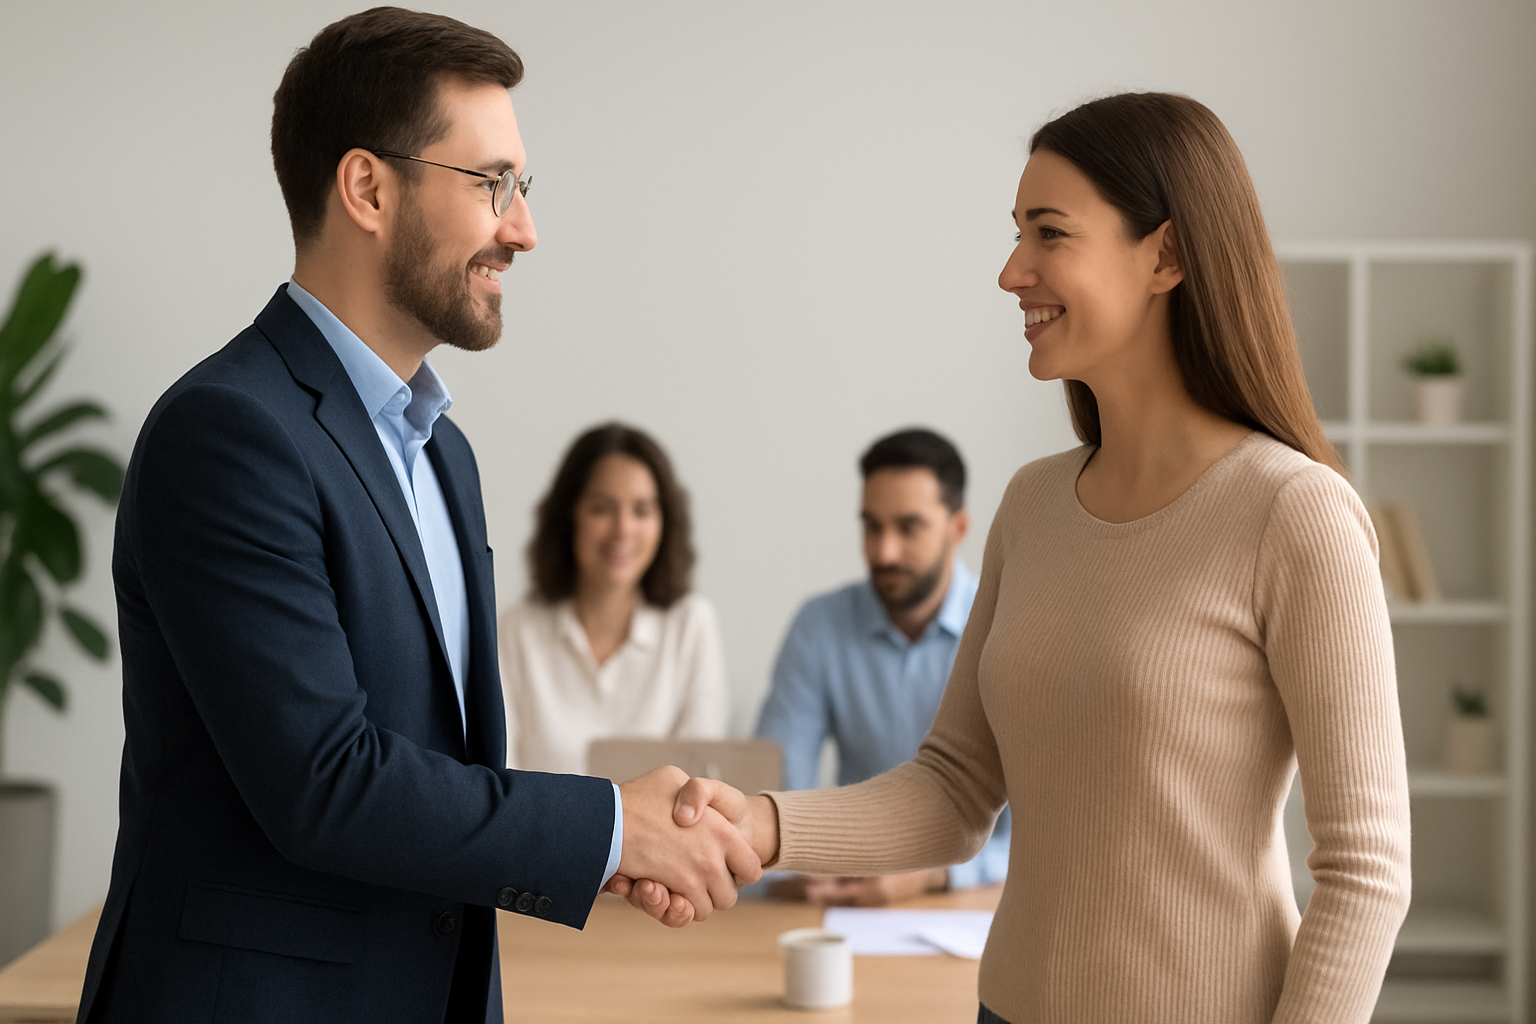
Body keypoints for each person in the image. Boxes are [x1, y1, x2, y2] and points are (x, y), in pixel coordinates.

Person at [646, 92, 1413, 1024]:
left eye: (1050, 233)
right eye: (1017, 234)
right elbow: (955, 788)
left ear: (1166, 256)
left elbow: (1366, 870)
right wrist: (761, 823)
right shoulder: (1033, 503)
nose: (1013, 271)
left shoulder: (1294, 513)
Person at [80, 10, 754, 1023]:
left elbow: (438, 774)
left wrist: (609, 851)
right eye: (492, 184)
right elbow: (326, 782)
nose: (523, 229)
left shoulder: (444, 452)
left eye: (523, 187)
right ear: (367, 188)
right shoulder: (227, 433)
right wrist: (615, 828)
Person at [754, 428, 1008, 904]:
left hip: (970, 906)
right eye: (872, 527)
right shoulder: (820, 626)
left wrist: (934, 875)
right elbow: (774, 790)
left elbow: (1039, 836)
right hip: (846, 899)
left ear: (957, 529)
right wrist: (792, 866)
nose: (884, 551)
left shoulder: (1005, 624)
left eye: (909, 528)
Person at [500, 423, 729, 773]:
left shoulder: (692, 624)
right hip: (539, 815)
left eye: (642, 511)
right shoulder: (515, 632)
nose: (623, 530)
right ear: (569, 516)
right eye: (602, 509)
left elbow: (701, 778)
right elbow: (501, 776)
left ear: (665, 522)